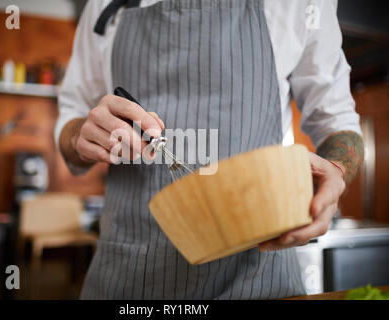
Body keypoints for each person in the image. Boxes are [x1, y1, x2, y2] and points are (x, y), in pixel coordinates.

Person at [55, 0, 364, 299]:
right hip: (128, 273)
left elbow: (337, 121)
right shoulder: (105, 4)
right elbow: (71, 121)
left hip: (258, 279)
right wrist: (80, 135)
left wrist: (335, 171)